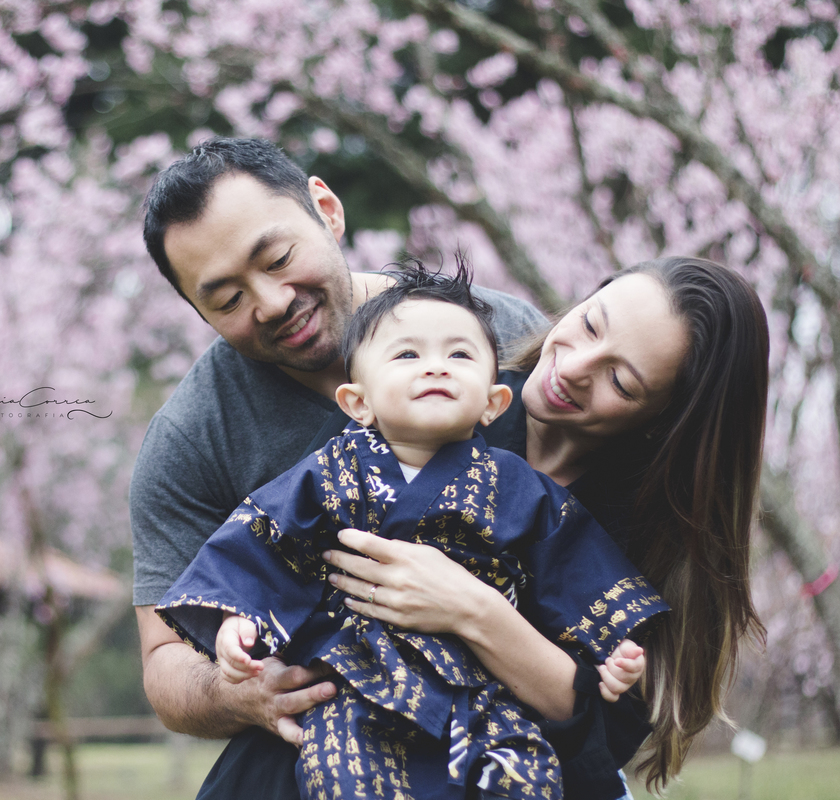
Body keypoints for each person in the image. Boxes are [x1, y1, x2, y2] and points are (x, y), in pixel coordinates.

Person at [132, 137, 767, 798]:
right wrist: (241, 679)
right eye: (226, 298)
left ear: (325, 208)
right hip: (322, 746)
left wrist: (476, 611)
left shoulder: (500, 344)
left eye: (278, 257)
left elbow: (613, 713)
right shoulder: (195, 437)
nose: (269, 301)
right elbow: (171, 656)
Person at [156, 264, 666, 800]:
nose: (436, 369)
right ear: (357, 403)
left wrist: (614, 642)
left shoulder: (522, 489)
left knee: (528, 775)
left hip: (480, 696)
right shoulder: (327, 472)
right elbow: (266, 542)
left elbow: (574, 566)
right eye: (407, 355)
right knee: (342, 777)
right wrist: (237, 622)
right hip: (356, 688)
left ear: (494, 403)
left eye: (460, 356)